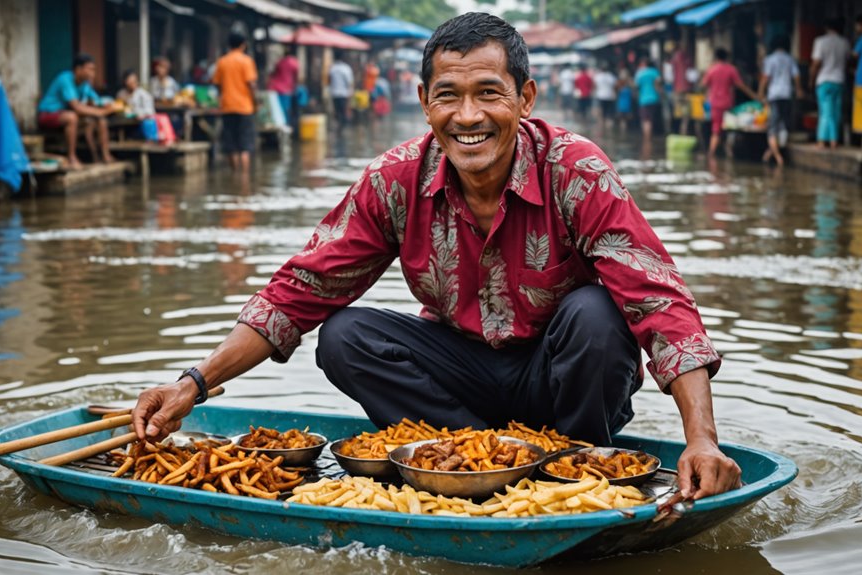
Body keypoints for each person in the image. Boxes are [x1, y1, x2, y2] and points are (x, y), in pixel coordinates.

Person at [130, 12, 741, 503]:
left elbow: (657, 300)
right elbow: (302, 287)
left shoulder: (575, 171)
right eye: (448, 95)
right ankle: (472, 463)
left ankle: (574, 473)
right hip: (462, 383)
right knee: (345, 335)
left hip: (559, 376)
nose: (468, 117)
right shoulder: (396, 178)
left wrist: (702, 440)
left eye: (489, 94)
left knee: (598, 315)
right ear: (425, 101)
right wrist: (193, 383)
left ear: (525, 98)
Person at [37, 53, 115, 169]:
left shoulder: (84, 84)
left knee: (101, 120)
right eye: (90, 69)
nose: (92, 73)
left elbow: (97, 100)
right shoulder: (65, 79)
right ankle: (71, 157)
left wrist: (104, 106)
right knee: (72, 117)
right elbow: (76, 107)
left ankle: (105, 155)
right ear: (78, 69)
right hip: (47, 114)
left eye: (94, 70)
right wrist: (101, 111)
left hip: (64, 114)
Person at [213, 31, 259, 171]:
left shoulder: (222, 61)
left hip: (227, 106)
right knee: (245, 144)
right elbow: (251, 84)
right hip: (245, 107)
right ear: (243, 45)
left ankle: (235, 174)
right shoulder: (246, 61)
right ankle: (244, 178)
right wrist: (255, 102)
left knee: (231, 143)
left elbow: (217, 84)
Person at [702, 48, 758, 157]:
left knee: (716, 129)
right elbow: (740, 85)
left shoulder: (711, 70)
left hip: (715, 104)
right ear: (726, 57)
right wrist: (754, 96)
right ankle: (727, 151)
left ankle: (711, 153)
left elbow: (703, 84)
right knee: (729, 127)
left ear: (716, 57)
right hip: (727, 103)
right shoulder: (731, 69)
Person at [758, 37, 802, 166]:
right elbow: (796, 75)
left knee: (773, 125)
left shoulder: (770, 59)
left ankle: (777, 157)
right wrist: (798, 89)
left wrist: (760, 92)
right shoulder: (790, 59)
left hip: (774, 94)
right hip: (787, 93)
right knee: (783, 122)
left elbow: (765, 77)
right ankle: (771, 153)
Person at [810, 19, 850, 150]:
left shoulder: (820, 41)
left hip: (824, 80)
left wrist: (811, 79)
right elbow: (849, 60)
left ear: (827, 27)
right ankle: (834, 140)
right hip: (839, 80)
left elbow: (816, 63)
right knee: (836, 112)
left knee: (825, 112)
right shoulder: (845, 42)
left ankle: (822, 140)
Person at [268, 47, 299, 125]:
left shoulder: (280, 62)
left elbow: (273, 74)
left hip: (275, 88)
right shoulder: (294, 62)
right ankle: (284, 127)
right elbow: (296, 76)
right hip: (286, 89)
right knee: (285, 110)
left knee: (277, 110)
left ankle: (279, 126)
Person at [634, 56, 662, 141]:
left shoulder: (639, 73)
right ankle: (649, 138)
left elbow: (636, 86)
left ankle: (647, 139)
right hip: (654, 98)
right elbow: (658, 85)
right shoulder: (655, 72)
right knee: (651, 119)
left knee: (645, 120)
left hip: (643, 99)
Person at [670, 43, 693, 134]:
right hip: (686, 90)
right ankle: (683, 132)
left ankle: (676, 132)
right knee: (686, 114)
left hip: (676, 89)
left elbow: (670, 77)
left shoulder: (673, 60)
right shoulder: (687, 59)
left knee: (677, 112)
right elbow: (691, 76)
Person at [329, 52, 354, 130]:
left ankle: (339, 129)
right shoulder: (346, 68)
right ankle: (343, 130)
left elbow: (329, 81)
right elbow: (350, 83)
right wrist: (350, 95)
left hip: (334, 94)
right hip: (344, 94)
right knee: (344, 113)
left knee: (337, 113)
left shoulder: (332, 68)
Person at [593, 61, 617, 128]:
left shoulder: (598, 76)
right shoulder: (611, 76)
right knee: (608, 113)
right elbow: (615, 86)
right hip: (609, 96)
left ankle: (602, 125)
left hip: (601, 96)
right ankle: (607, 126)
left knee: (602, 112)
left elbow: (595, 86)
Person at [616, 64, 634, 131]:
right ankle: (624, 131)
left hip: (622, 104)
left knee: (623, 120)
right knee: (625, 120)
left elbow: (616, 93)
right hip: (627, 104)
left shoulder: (619, 84)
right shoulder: (629, 83)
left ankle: (623, 131)